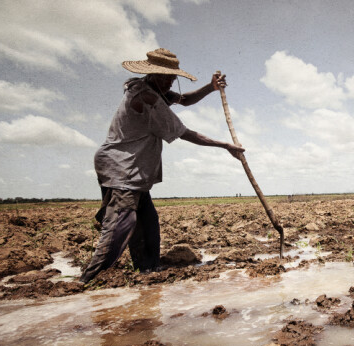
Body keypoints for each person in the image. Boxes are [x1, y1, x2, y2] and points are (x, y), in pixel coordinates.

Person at [80, 48, 244, 284]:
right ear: (152, 74)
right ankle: (88, 280)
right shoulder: (147, 98)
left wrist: (211, 87)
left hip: (132, 170)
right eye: (165, 76)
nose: (169, 82)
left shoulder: (153, 89)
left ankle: (147, 274)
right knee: (122, 222)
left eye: (172, 78)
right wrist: (225, 145)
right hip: (122, 168)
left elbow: (185, 100)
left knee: (148, 225)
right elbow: (185, 132)